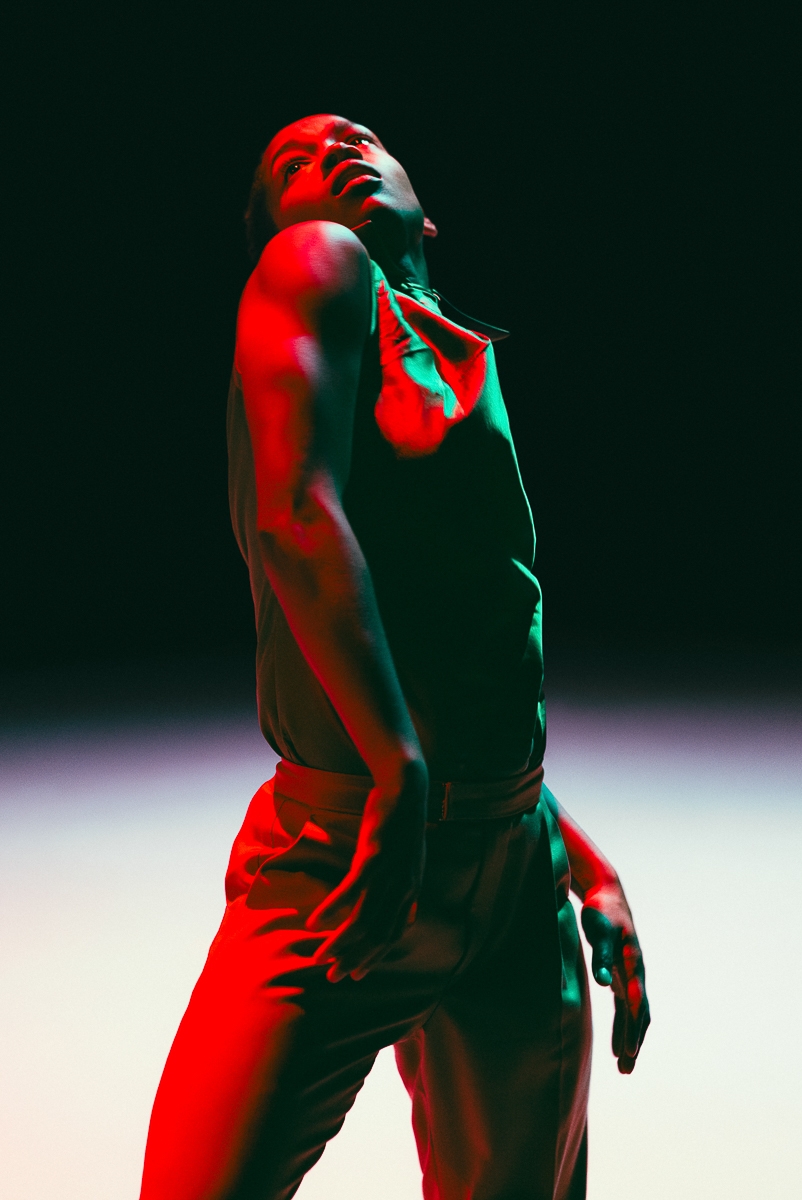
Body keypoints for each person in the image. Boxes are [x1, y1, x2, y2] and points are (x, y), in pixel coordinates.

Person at [139, 113, 650, 1200]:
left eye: (358, 136)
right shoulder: (316, 263)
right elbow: (293, 513)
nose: (333, 145)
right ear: (270, 237)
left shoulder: (454, 355)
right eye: (293, 163)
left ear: (430, 212)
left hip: (514, 868)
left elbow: (471, 649)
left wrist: (577, 856)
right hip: (351, 849)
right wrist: (399, 773)